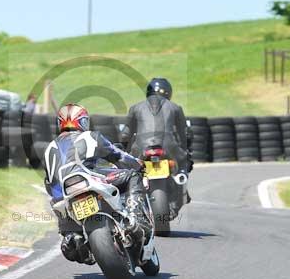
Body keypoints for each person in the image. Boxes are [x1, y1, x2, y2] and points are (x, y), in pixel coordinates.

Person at [44, 103, 151, 265]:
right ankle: (136, 216)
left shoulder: (49, 148)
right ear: (83, 122)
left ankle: (72, 238)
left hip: (62, 196)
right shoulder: (90, 137)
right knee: (132, 176)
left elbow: (48, 182)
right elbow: (117, 155)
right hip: (87, 179)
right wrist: (138, 164)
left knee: (68, 233)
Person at [126, 77, 191, 174]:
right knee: (184, 162)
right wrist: (186, 149)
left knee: (128, 168)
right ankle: (181, 179)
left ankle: (132, 185)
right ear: (168, 92)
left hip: (140, 148)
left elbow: (125, 135)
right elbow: (186, 134)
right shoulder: (175, 107)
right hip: (168, 147)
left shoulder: (135, 108)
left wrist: (124, 149)